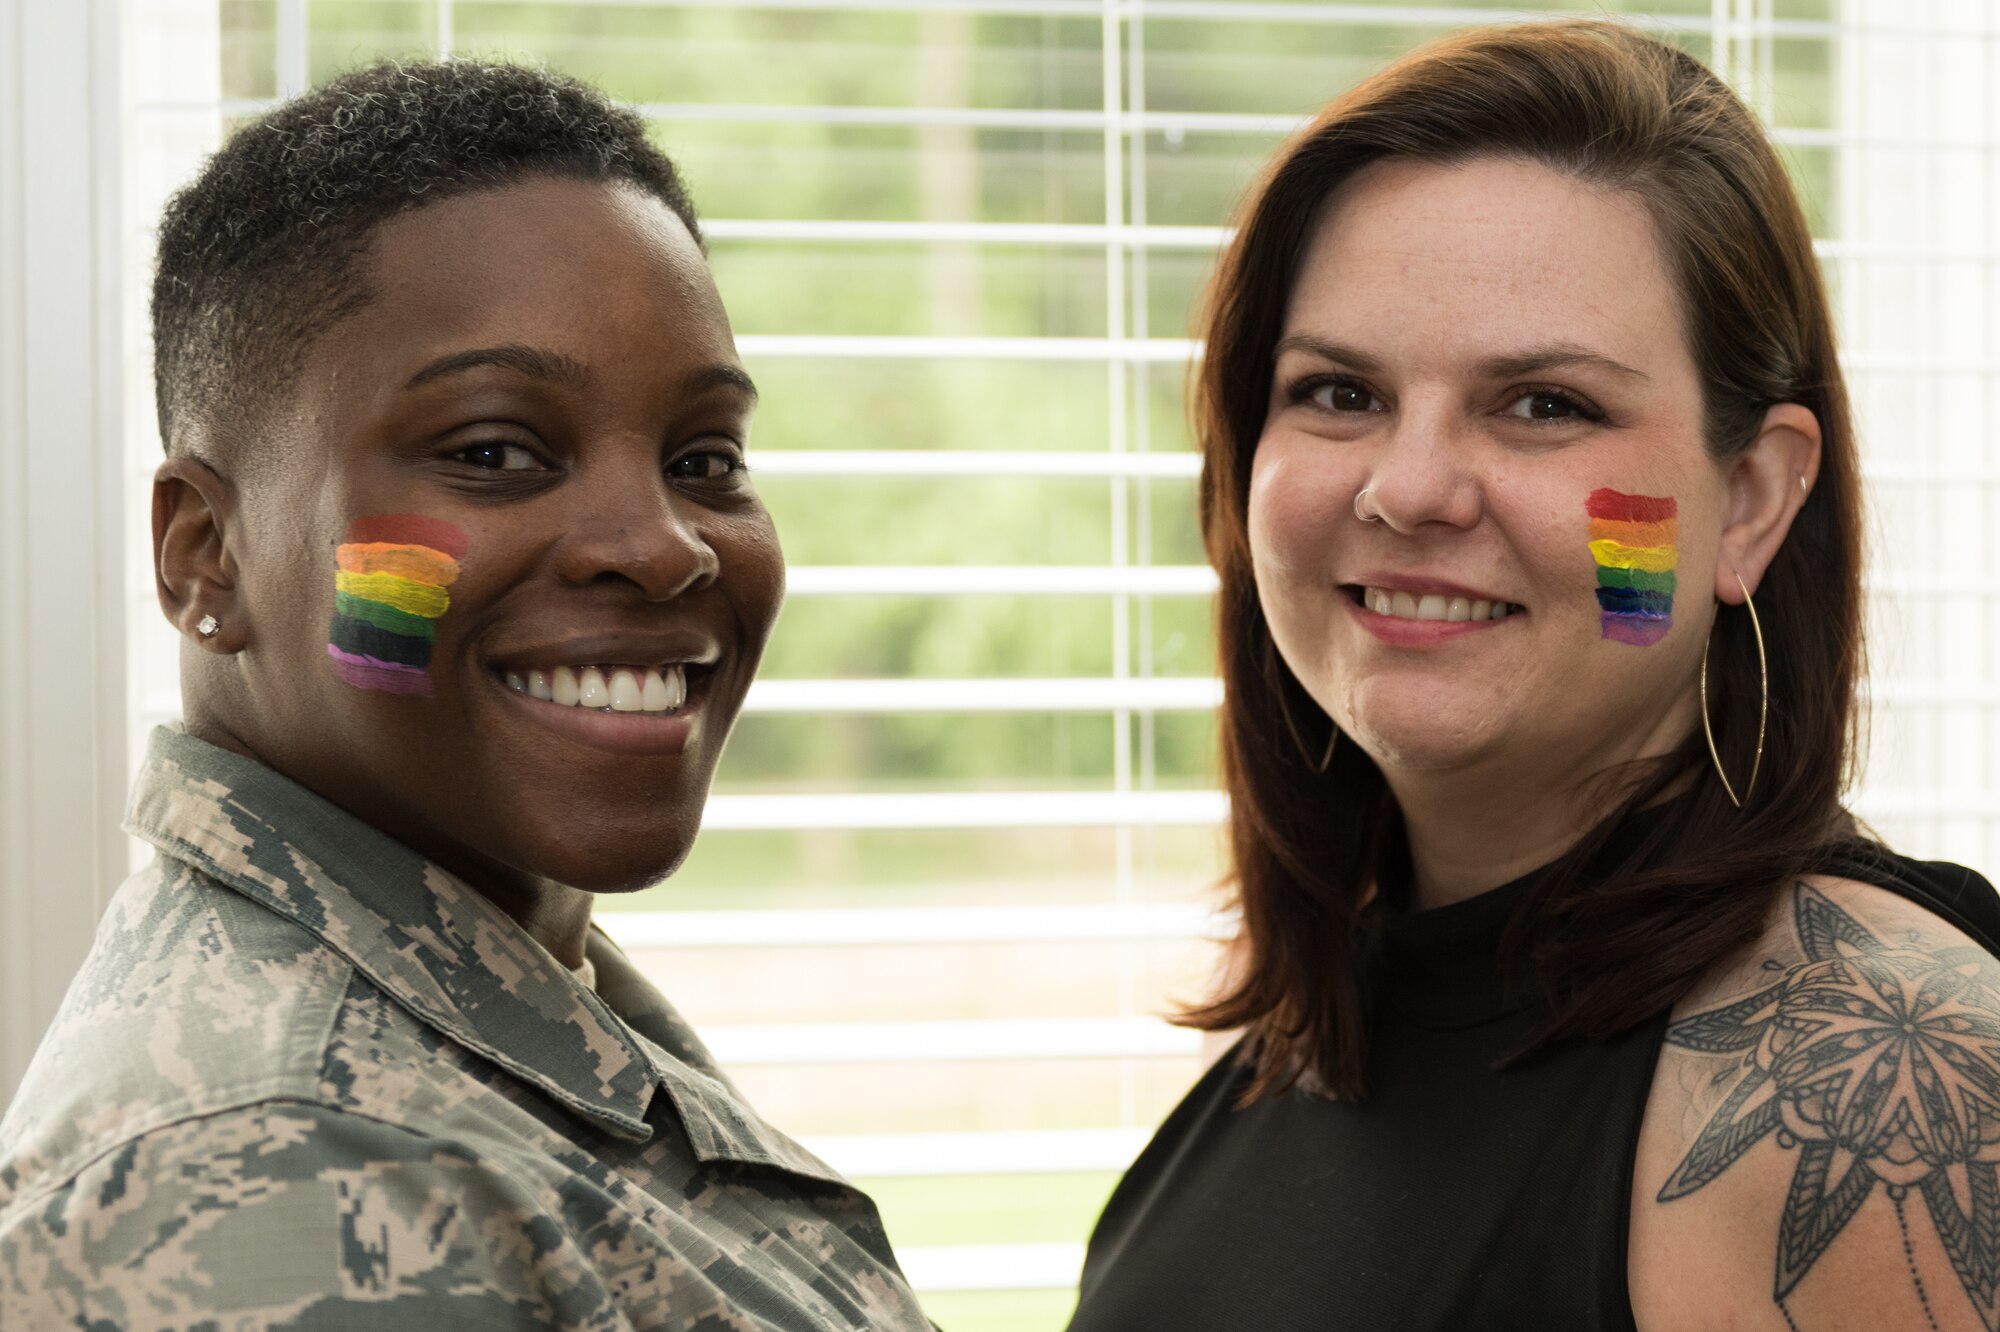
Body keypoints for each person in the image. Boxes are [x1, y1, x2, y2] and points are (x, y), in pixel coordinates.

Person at [1067, 19, 2000, 1332]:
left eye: (1545, 404)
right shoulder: (1318, 1029)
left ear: (1747, 501)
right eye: (1339, 392)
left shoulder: (1861, 1072)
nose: (1410, 490)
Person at [0, 61, 932, 1331]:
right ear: (204, 552)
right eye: (493, 451)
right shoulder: (285, 1181)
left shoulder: (498, 1025)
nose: (663, 547)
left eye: (702, 457)